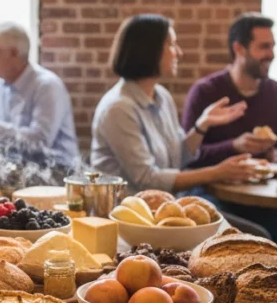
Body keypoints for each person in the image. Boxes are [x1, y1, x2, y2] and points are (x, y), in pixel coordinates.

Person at [180, 13, 277, 260]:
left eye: (272, 46)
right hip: (213, 193)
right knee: (255, 240)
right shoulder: (206, 92)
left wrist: (276, 155)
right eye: (264, 47)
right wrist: (234, 146)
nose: (271, 54)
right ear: (239, 48)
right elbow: (186, 158)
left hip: (267, 198)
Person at [92, 14, 253, 192]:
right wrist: (216, 173)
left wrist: (202, 125)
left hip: (159, 208)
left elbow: (177, 160)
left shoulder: (162, 96)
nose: (178, 52)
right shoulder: (119, 108)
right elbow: (147, 180)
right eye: (171, 44)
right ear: (148, 50)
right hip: (125, 212)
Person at [0, 22, 80, 168]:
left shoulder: (47, 86)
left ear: (13, 53)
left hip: (55, 173)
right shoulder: (0, 87)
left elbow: (39, 143)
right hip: (18, 170)